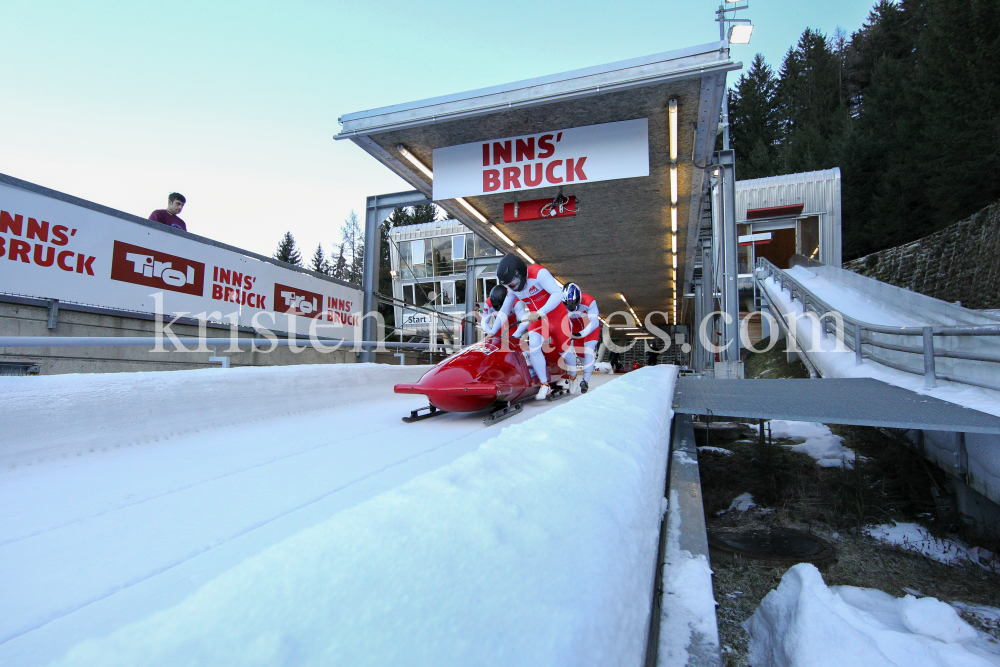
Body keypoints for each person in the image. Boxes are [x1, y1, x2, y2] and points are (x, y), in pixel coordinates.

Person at [485, 253, 575, 400]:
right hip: (538, 319)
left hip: (557, 317)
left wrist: (541, 312)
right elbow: (505, 310)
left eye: (512, 283)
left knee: (564, 352)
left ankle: (573, 376)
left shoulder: (539, 273)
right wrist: (493, 332)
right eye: (508, 285)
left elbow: (557, 293)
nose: (512, 287)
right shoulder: (513, 289)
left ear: (519, 274)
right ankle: (544, 385)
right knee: (533, 346)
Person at [563, 282, 600, 394]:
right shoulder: (561, 303)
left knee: (588, 348)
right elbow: (564, 321)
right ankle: (589, 366)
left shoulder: (589, 301)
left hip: (590, 328)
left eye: (573, 302)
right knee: (580, 354)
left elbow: (594, 322)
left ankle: (585, 381)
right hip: (576, 329)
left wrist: (581, 333)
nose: (571, 305)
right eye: (568, 303)